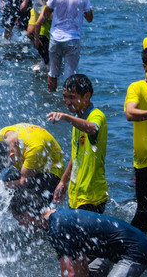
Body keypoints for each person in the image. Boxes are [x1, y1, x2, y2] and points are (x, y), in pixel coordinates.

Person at [9, 191, 147, 277]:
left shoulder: (57, 229)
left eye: (19, 220)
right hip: (117, 250)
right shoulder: (59, 218)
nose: (20, 224)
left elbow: (69, 274)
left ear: (27, 215)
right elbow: (80, 262)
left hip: (135, 251)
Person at [48, 74, 108, 213]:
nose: (67, 102)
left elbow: (93, 128)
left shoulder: (96, 116)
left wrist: (66, 117)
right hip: (76, 196)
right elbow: (76, 156)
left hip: (92, 197)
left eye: (72, 97)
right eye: (65, 96)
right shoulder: (77, 119)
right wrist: (63, 181)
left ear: (87, 96)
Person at [34, 0, 93, 92]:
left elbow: (46, 13)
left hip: (55, 38)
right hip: (72, 40)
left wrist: (37, 35)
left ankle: (50, 97)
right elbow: (90, 18)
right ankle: (67, 102)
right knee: (70, 76)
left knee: (53, 72)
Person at [0, 123, 65, 206]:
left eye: (7, 165)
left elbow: (24, 181)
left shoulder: (33, 148)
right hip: (26, 165)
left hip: (49, 169)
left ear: (11, 155)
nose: (6, 167)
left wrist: (0, 184)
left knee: (34, 206)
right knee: (0, 192)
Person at [124, 45, 147, 232]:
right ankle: (128, 248)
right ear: (145, 66)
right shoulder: (137, 87)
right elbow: (130, 113)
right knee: (144, 212)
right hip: (146, 163)